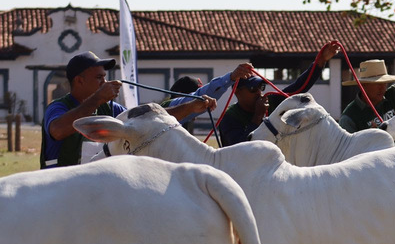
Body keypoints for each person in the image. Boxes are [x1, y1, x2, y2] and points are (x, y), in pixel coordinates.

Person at [40, 51, 215, 169]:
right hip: (59, 188)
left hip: (93, 186)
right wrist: (98, 97)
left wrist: (190, 107)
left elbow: (148, 120)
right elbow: (58, 130)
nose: (105, 82)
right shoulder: (58, 107)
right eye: (99, 78)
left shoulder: (109, 108)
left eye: (105, 77)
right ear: (79, 81)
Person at [218, 41, 340, 146]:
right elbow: (242, 149)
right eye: (252, 89)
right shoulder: (230, 117)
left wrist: (320, 62)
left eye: (261, 87)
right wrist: (258, 116)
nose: (259, 92)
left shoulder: (270, 101)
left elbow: (299, 87)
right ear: (237, 92)